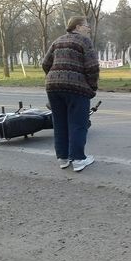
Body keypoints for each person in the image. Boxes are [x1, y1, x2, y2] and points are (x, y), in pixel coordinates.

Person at [42, 16, 99, 172]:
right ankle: (79, 160)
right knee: (78, 124)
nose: (89, 28)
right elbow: (92, 67)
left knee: (60, 123)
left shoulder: (57, 41)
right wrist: (92, 87)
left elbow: (45, 63)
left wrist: (55, 77)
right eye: (87, 25)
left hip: (53, 88)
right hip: (76, 88)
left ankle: (63, 158)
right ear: (78, 27)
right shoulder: (84, 42)